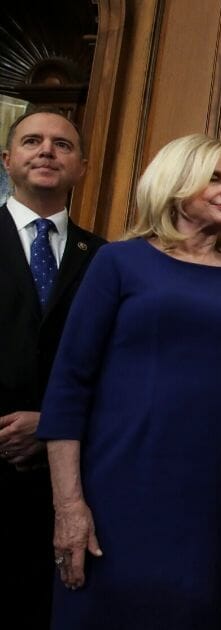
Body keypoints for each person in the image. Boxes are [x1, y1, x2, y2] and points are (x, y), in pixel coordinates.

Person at [36, 133, 221, 629]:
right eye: (215, 178)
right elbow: (68, 385)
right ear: (175, 181)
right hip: (115, 487)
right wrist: (69, 505)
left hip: (207, 496)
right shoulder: (118, 262)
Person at [0, 109, 104, 629]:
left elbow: (111, 368)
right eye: (32, 141)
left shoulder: (105, 258)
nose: (46, 151)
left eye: (62, 145)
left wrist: (51, 423)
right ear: (7, 159)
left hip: (64, 480)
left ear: (81, 165)